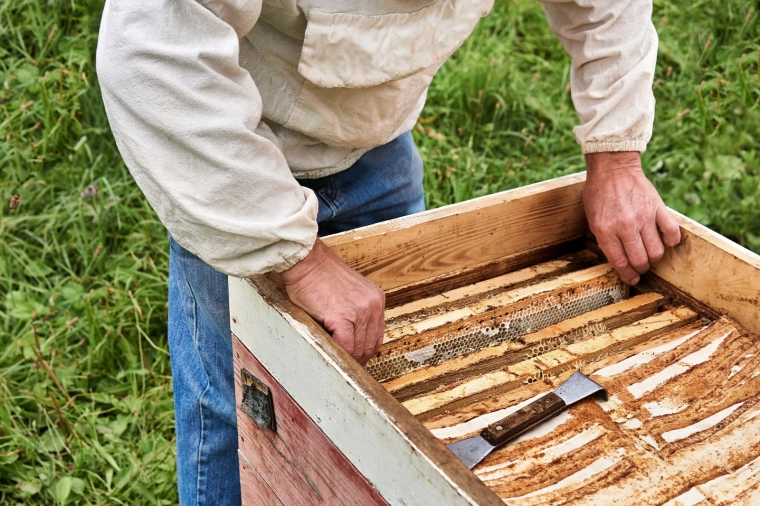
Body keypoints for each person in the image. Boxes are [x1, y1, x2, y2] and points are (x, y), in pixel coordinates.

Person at [96, 0, 681, 504]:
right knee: (245, 404)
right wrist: (298, 259)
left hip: (378, 148)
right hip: (231, 159)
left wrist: (616, 156)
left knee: (391, 407)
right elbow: (153, 55)